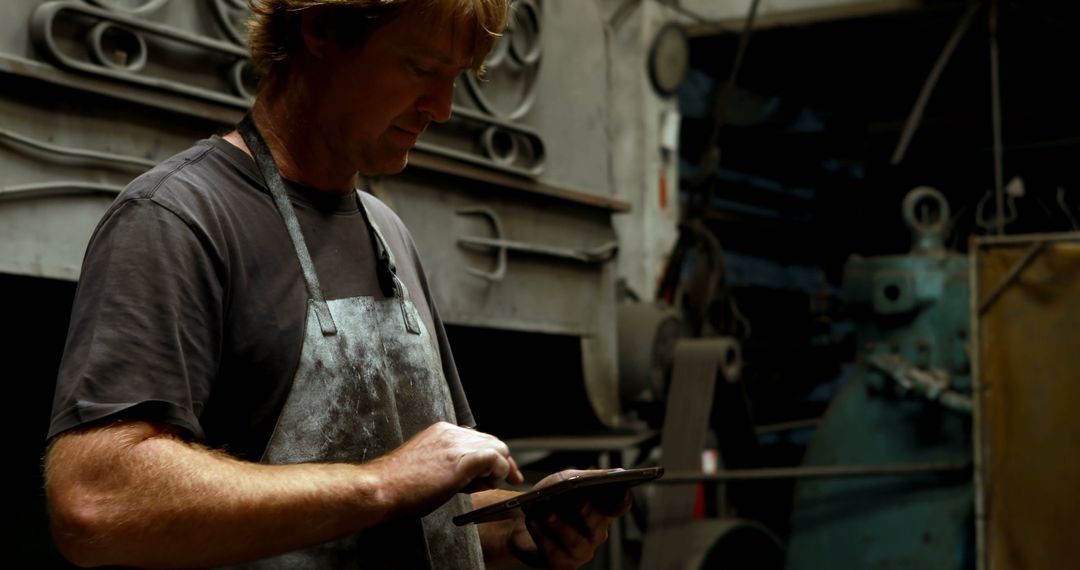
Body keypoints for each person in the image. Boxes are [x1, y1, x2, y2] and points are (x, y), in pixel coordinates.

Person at [42, 0, 631, 568]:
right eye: (422, 69)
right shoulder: (176, 218)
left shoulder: (388, 233)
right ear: (322, 29)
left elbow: (418, 518)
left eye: (455, 78)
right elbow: (98, 500)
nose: (443, 107)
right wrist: (380, 482)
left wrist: (517, 528)